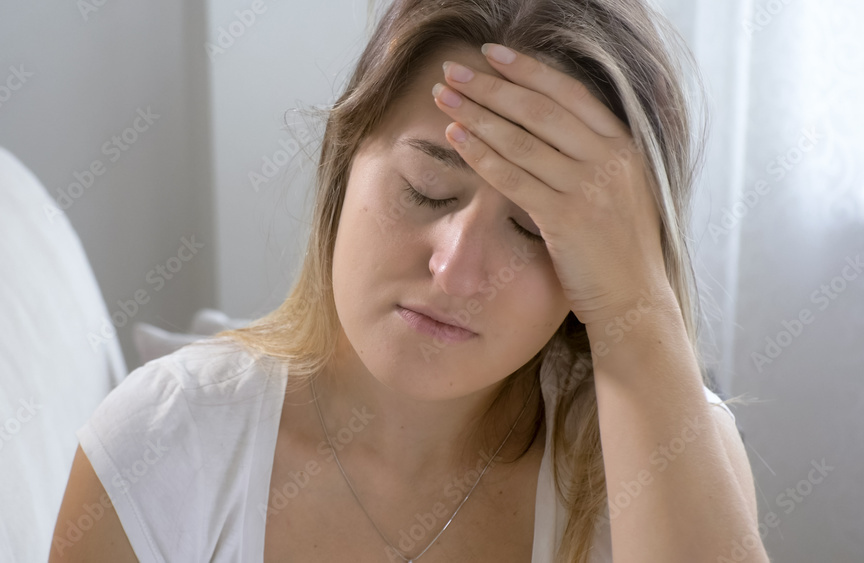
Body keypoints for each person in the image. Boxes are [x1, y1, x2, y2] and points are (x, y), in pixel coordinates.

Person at [50, 0, 767, 562]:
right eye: (427, 188)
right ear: (345, 162)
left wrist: (636, 306)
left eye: (533, 229)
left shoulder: (660, 461)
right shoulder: (163, 445)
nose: (456, 270)